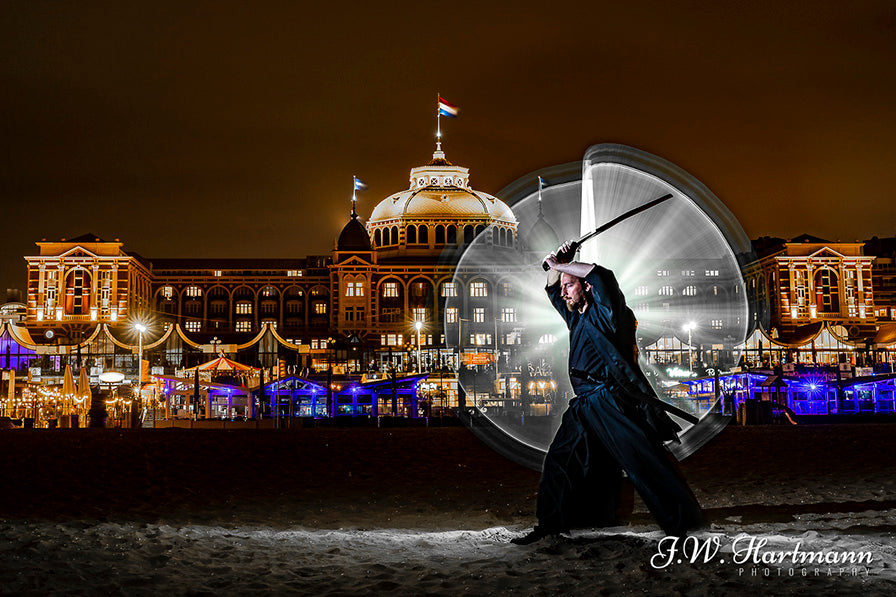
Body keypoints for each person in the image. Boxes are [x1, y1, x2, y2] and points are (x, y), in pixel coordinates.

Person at [512, 241, 704, 544]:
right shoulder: (576, 316)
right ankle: (551, 524)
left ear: (586, 287)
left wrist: (561, 265)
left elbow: (603, 274)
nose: (563, 292)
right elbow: (551, 289)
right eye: (564, 287)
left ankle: (682, 526)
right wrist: (561, 264)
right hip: (584, 404)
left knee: (641, 461)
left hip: (609, 399)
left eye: (569, 286)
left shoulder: (609, 313)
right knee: (560, 460)